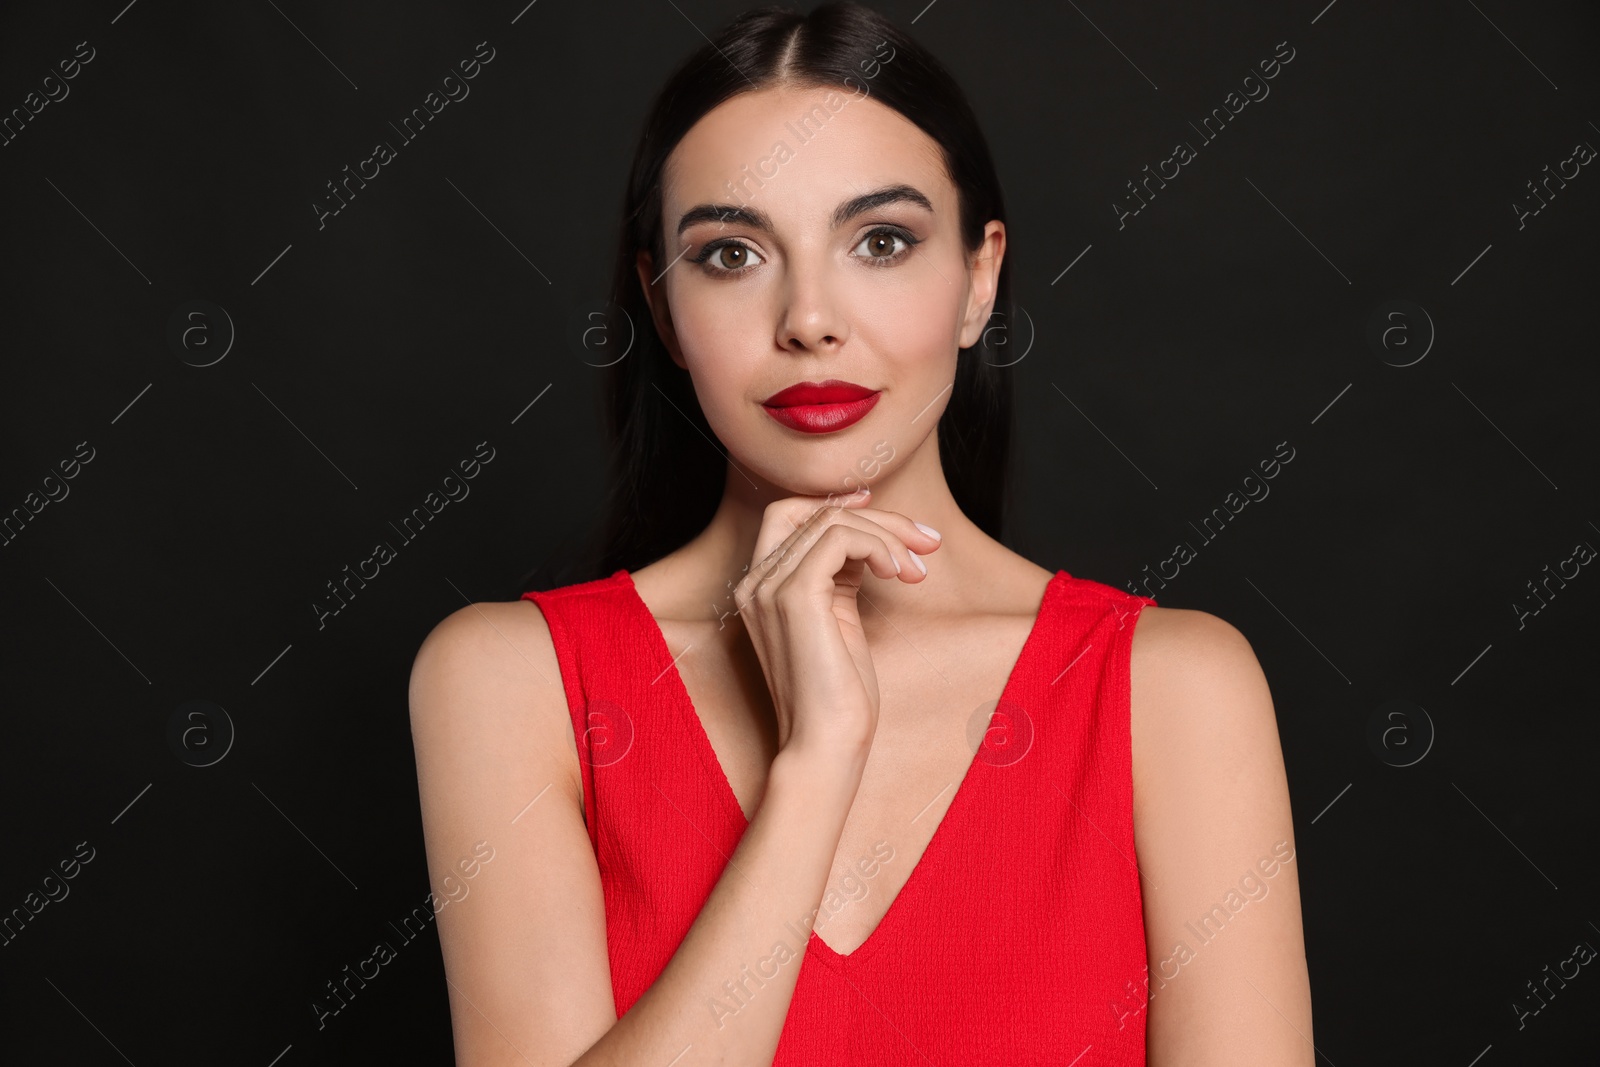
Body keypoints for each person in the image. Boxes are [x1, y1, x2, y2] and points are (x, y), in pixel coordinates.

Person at [407, 3, 1312, 1064]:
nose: (808, 318)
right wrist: (816, 760)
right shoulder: (509, 681)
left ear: (979, 279)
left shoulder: (1171, 686)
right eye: (732, 253)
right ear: (661, 309)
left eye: (880, 240)